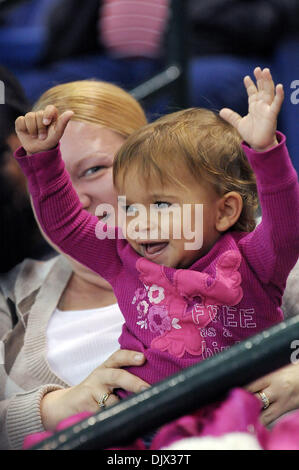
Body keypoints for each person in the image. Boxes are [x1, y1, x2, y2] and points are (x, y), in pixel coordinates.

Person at [14, 65, 299, 418]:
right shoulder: (123, 259)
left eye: (161, 204)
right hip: (142, 432)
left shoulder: (254, 260)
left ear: (224, 211)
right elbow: (68, 224)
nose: (141, 223)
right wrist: (43, 161)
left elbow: (287, 227)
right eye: (129, 207)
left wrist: (266, 152)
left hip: (238, 427)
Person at [0, 80, 150, 450]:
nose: (74, 199)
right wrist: (55, 408)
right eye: (52, 181)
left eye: (94, 169)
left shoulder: (237, 253)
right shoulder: (11, 293)